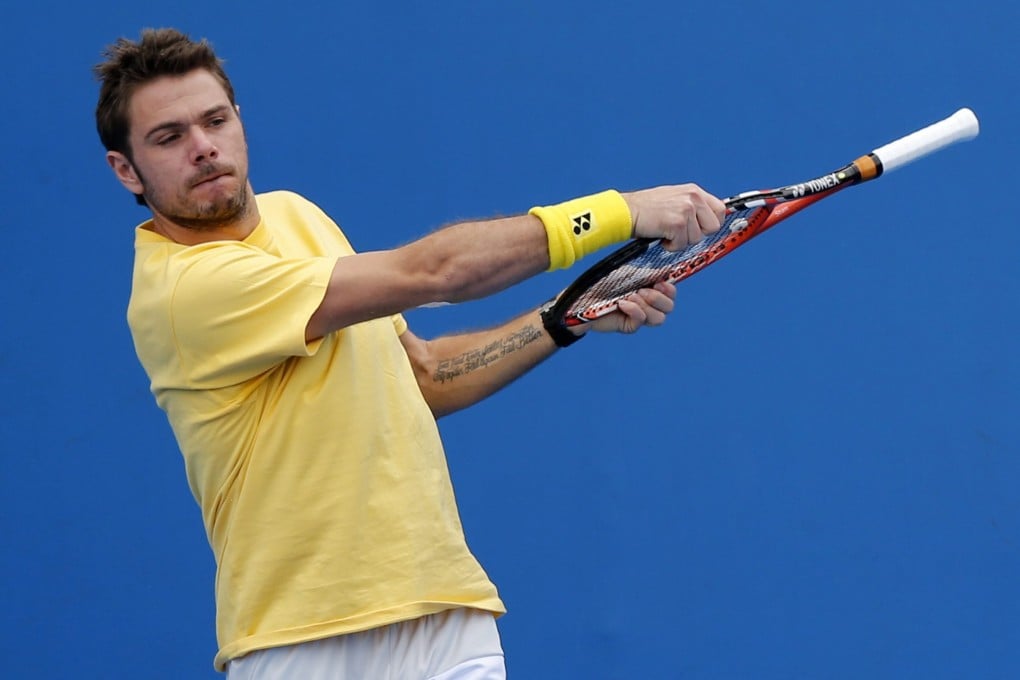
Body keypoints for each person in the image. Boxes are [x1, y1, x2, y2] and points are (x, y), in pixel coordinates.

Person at [95, 27, 726, 679]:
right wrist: (619, 212)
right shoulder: (183, 292)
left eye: (215, 120)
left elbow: (421, 376)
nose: (203, 148)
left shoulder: (296, 216)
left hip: (445, 615)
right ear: (125, 169)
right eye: (169, 137)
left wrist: (564, 317)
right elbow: (436, 273)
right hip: (303, 642)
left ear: (239, 119)